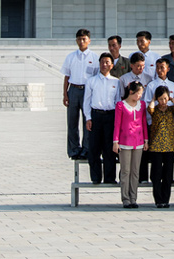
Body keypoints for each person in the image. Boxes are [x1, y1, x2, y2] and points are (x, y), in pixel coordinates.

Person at [83, 52, 122, 184]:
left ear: (111, 65)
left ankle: (110, 178)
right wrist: (88, 118)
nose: (104, 65)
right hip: (96, 116)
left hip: (111, 116)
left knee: (109, 148)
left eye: (107, 62)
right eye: (102, 62)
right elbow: (86, 101)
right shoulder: (91, 81)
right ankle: (95, 177)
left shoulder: (116, 82)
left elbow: (118, 102)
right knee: (94, 148)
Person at [62, 29, 97, 159]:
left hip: (88, 91)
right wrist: (65, 94)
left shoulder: (94, 57)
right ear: (76, 40)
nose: (81, 42)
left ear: (89, 40)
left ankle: (86, 149)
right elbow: (66, 76)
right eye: (79, 39)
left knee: (87, 120)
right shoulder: (70, 57)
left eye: (84, 39)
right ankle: (73, 149)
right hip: (73, 90)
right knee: (72, 121)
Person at [113, 82, 148, 208]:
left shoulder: (142, 105)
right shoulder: (121, 105)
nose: (140, 96)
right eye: (138, 93)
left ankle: (134, 198)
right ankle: (125, 198)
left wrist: (146, 140)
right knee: (125, 171)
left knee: (135, 171)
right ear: (131, 92)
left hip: (138, 141)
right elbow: (117, 124)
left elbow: (143, 121)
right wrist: (115, 141)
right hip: (124, 141)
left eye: (141, 94)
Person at [147, 86, 174, 208]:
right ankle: (158, 199)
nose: (163, 102)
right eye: (161, 99)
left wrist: (171, 98)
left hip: (169, 146)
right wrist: (153, 99)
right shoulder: (154, 110)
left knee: (168, 176)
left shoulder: (171, 109)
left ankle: (166, 199)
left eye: (165, 99)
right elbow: (150, 108)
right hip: (156, 146)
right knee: (156, 175)